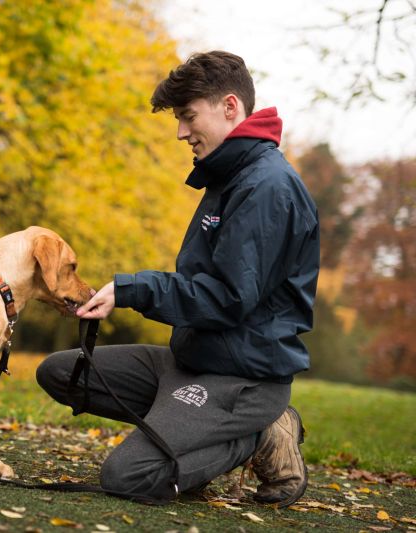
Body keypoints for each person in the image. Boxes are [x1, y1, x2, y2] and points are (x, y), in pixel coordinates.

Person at [37, 51, 319, 507]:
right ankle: (187, 430)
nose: (181, 132)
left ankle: (258, 434)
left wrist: (131, 290)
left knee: (128, 476)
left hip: (242, 378)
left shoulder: (266, 187)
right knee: (62, 372)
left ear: (230, 107)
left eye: (188, 117)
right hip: (190, 359)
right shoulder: (229, 176)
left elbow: (229, 298)